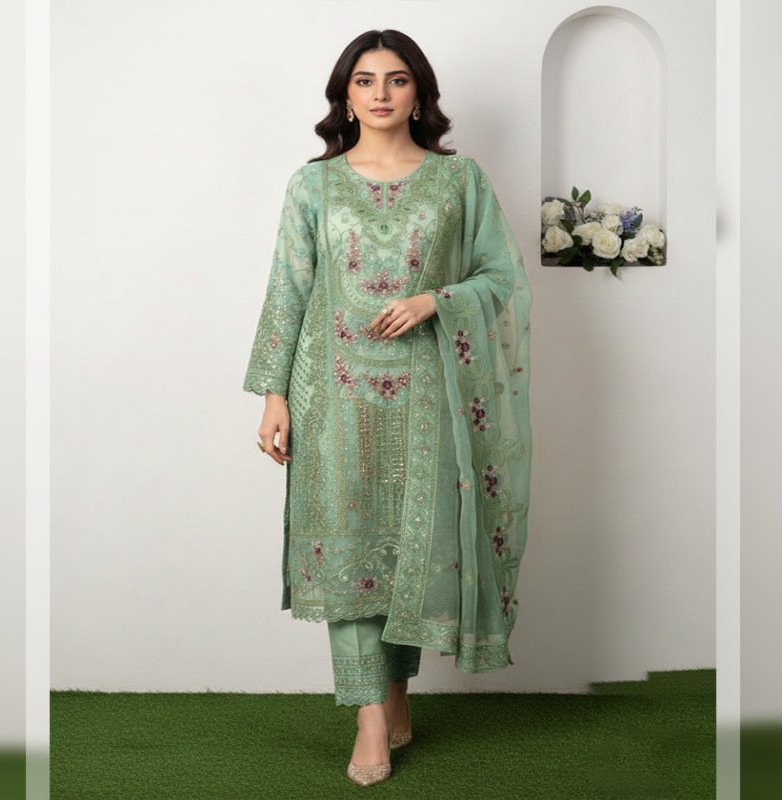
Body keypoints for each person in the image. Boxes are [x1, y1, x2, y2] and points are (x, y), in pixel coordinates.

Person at [242, 28, 533, 786]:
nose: (380, 93)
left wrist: (436, 300)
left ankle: (397, 692)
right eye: (365, 80)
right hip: (333, 398)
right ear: (345, 95)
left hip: (430, 398)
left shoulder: (458, 180)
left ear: (419, 93)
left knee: (409, 553)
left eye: (396, 79)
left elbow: (502, 275)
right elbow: (288, 289)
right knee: (347, 554)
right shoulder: (313, 186)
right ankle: (370, 718)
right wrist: (274, 395)